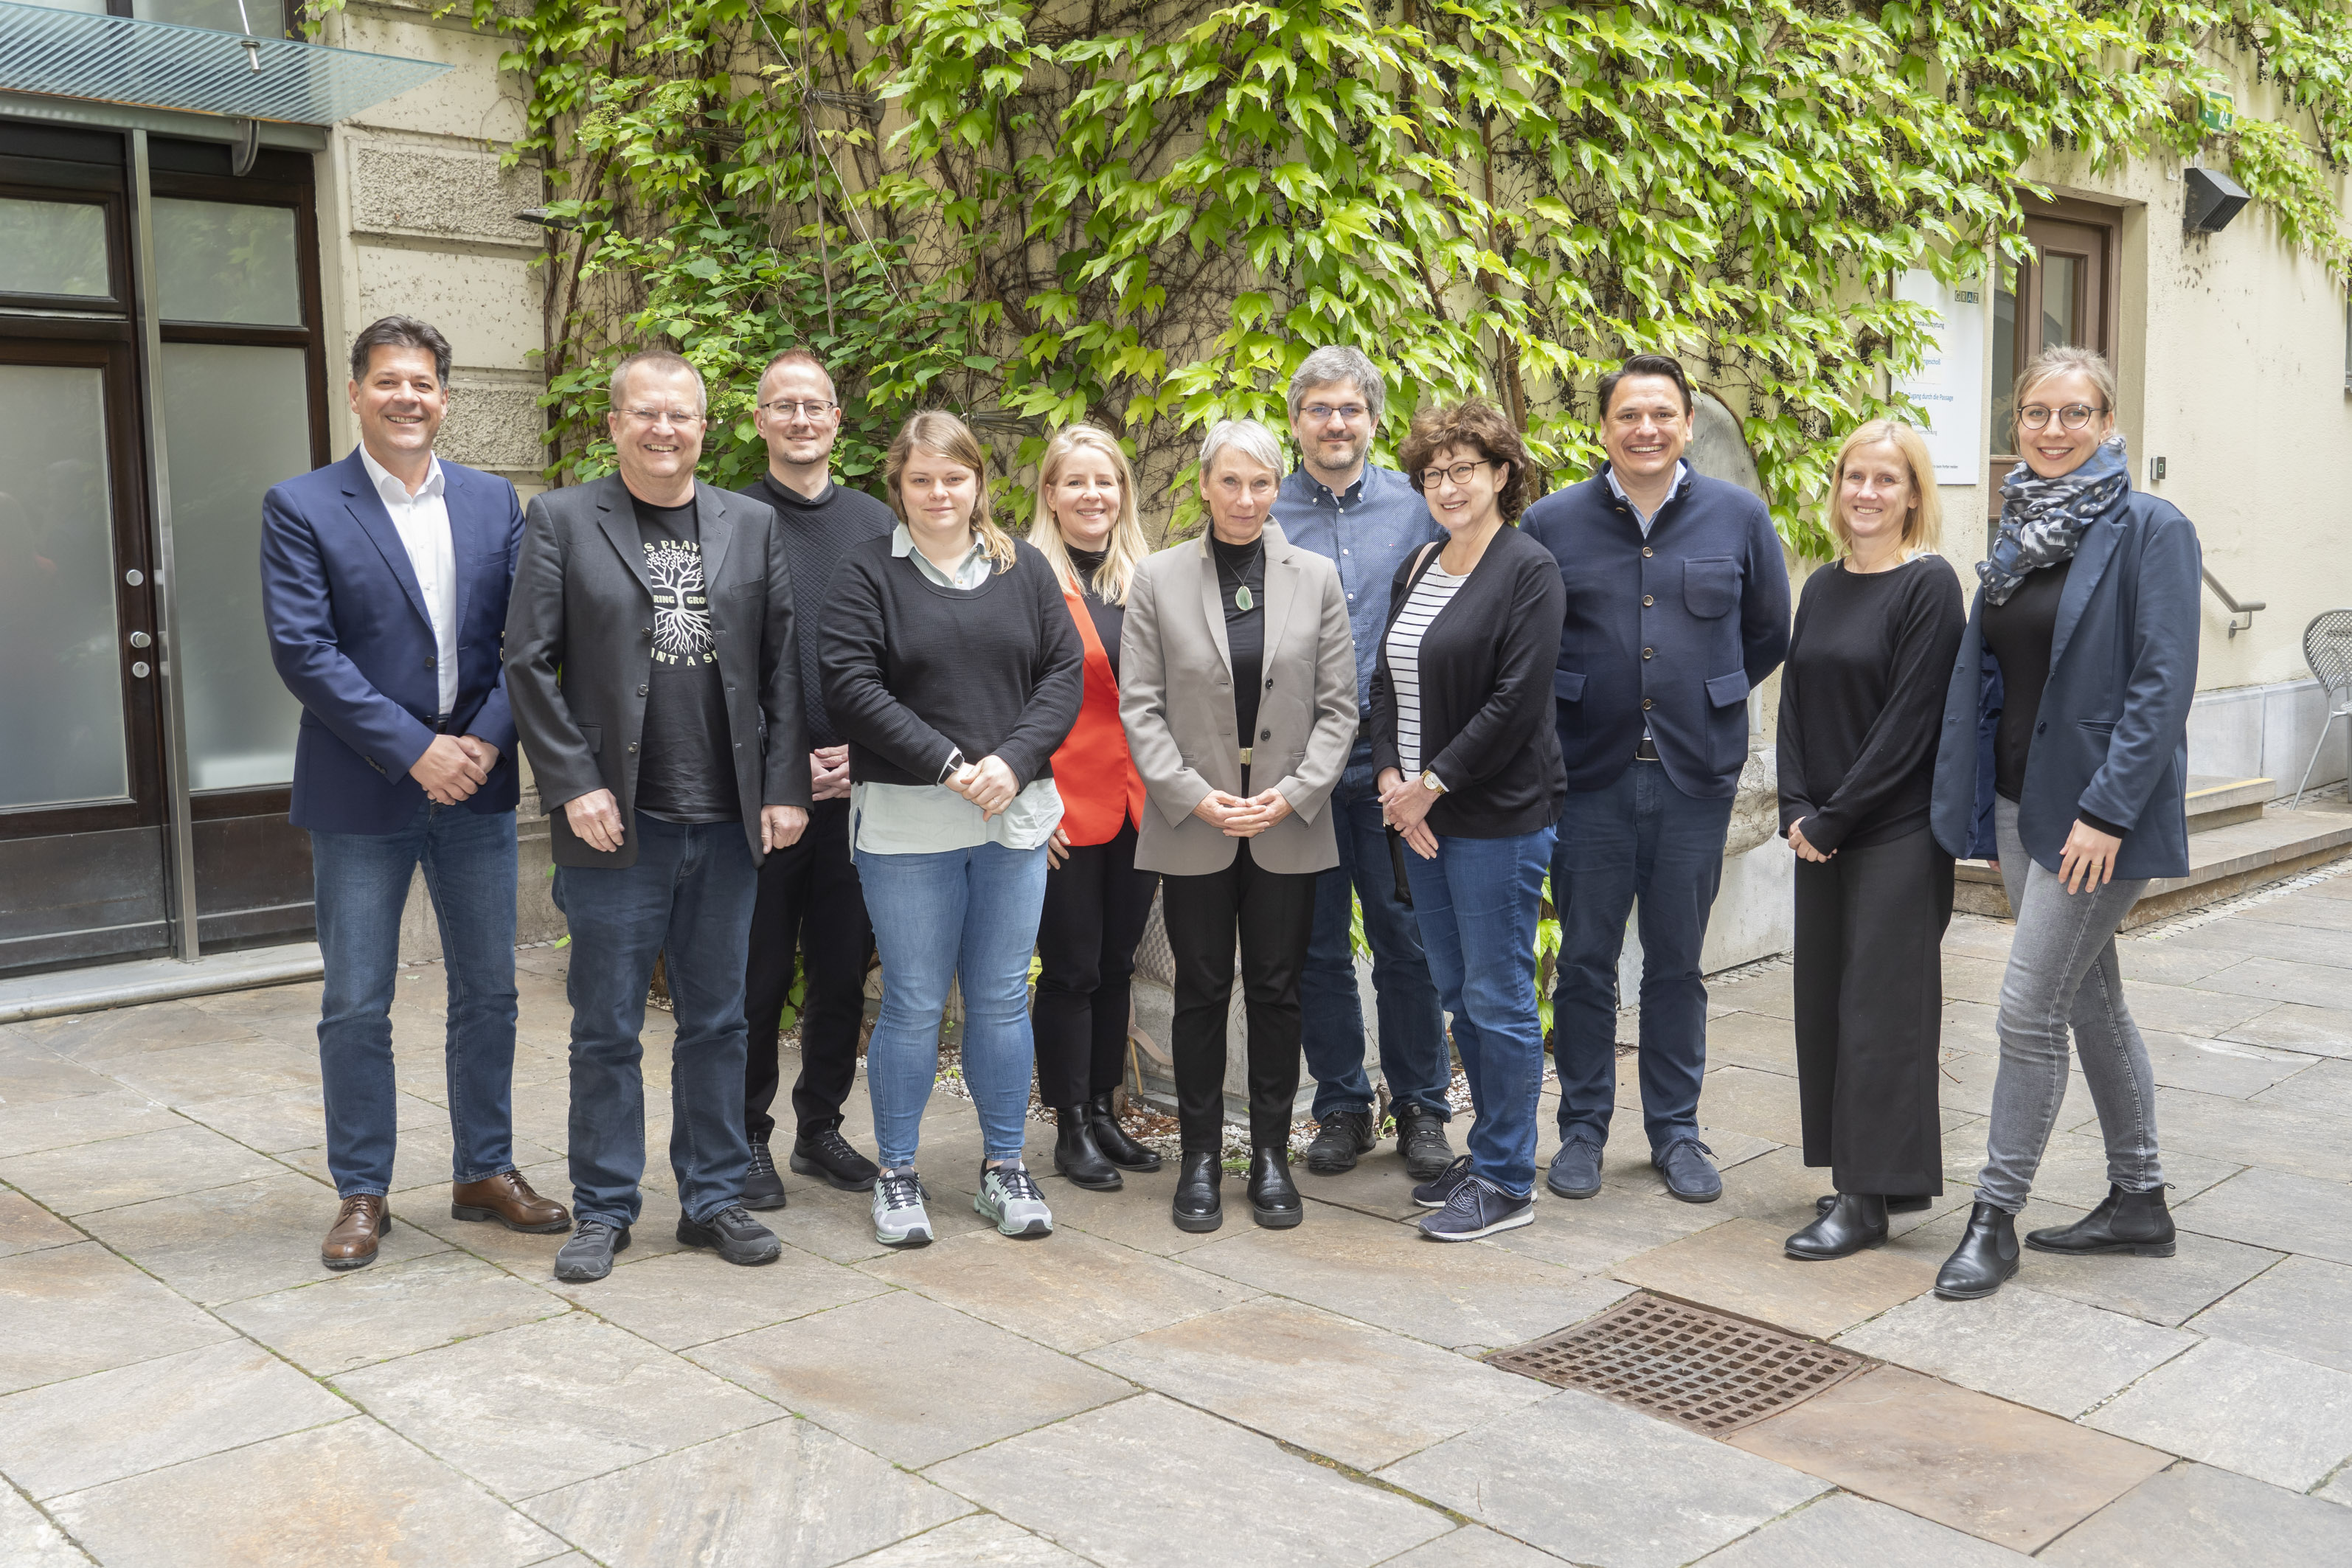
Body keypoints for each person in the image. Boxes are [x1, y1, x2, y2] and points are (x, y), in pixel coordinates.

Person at [263, 315, 568, 1272]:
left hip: (473, 790)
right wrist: (413, 751)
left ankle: (484, 1168)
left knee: (490, 990)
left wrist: (476, 740)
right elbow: (304, 652)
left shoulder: (490, 502)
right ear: (355, 392)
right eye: (388, 380)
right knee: (357, 999)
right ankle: (362, 1188)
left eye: (424, 382)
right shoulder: (302, 506)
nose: (407, 397)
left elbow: (525, 641)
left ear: (444, 397)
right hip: (362, 794)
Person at [504, 348, 807, 1283]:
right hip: (615, 824)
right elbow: (527, 662)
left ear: (706, 426)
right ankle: (602, 1204)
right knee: (607, 1026)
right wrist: (573, 782)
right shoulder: (561, 519)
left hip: (727, 822)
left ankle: (712, 1195)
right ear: (615, 423)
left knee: (719, 1019)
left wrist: (786, 787)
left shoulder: (750, 524)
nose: (664, 430)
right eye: (646, 414)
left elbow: (786, 664)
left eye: (681, 415)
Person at [1929, 346, 2199, 1300]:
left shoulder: (2149, 527)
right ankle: (2139, 1197)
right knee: (2089, 999)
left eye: (2074, 413)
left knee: (2026, 1008)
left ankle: (1992, 1219)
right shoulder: (2019, 531)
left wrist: (2106, 812)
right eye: (2037, 413)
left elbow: (2161, 687)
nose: (2053, 429)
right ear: (2017, 426)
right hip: (2017, 806)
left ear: (2108, 421)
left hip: (2095, 820)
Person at [1522, 353, 1791, 1204]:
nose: (1646, 429)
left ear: (1686, 423)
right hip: (1589, 776)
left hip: (1692, 779)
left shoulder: (1738, 516)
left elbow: (1768, 632)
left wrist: (1704, 695)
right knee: (1588, 963)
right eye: (1629, 415)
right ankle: (1583, 1130)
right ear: (1604, 426)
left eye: (1662, 415)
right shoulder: (1550, 522)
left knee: (1677, 964)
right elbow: (1529, 642)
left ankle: (1676, 1132)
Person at [822, 412, 1083, 1247]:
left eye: (955, 476)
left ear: (979, 482)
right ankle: (896, 1174)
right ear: (897, 486)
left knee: (1004, 996)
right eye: (922, 479)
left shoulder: (1025, 566)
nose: (940, 493)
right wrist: (946, 762)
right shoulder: (866, 571)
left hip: (1012, 816)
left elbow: (1062, 672)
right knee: (912, 1000)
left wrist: (1012, 760)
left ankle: (1004, 1167)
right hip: (907, 823)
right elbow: (851, 684)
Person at [1120, 418, 1359, 1233]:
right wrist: (1195, 795)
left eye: (1261, 483)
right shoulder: (1156, 578)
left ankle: (1268, 1156)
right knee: (1200, 989)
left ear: (1278, 485)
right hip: (1196, 822)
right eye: (1231, 481)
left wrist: (1294, 793)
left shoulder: (1316, 576)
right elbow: (1141, 708)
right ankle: (1197, 1159)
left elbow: (1339, 709)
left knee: (1278, 989)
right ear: (1204, 484)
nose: (1246, 499)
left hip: (1287, 821)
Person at [1370, 401, 1567, 1241]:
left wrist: (1432, 785)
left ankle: (1509, 1178)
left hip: (1493, 817)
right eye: (1433, 473)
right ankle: (1489, 1147)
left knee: (1498, 997)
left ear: (1500, 475)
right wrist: (1391, 778)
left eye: (1464, 469)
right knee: (1457, 991)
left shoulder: (1529, 569)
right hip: (1418, 817)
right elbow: (1386, 682)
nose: (1447, 485)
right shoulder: (1420, 562)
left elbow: (1516, 701)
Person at [1776, 420, 1966, 1261]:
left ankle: (1864, 1201)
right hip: (1820, 827)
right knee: (1825, 1004)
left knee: (1880, 1013)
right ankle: (1870, 1168)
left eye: (1887, 480)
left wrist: (1834, 817)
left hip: (1892, 833)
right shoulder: (1820, 585)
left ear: (1914, 495)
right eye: (1856, 476)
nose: (1866, 493)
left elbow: (1909, 726)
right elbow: (1794, 706)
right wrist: (1795, 805)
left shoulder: (1928, 588)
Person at [1272, 348, 1454, 1179]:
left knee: (1406, 942)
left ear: (1373, 419)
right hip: (1300, 774)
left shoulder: (1419, 510)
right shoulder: (1264, 511)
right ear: (1297, 420)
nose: (1335, 423)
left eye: (1349, 409)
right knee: (1315, 950)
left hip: (1395, 773)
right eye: (1319, 409)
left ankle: (1421, 1104)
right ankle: (1342, 1104)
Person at [734, 348, 895, 1205]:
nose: (800, 418)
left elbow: (907, 655)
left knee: (840, 970)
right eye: (782, 405)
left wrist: (862, 757)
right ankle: (745, 1136)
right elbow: (716, 667)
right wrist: (779, 759)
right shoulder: (723, 518)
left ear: (838, 420)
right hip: (764, 795)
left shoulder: (876, 522)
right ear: (758, 420)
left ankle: (819, 1124)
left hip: (860, 790)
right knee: (757, 975)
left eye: (816, 405)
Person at [1027, 424, 1163, 1189]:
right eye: (1075, 481)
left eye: (1105, 481)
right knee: (1073, 969)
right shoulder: (1023, 575)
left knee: (1117, 967)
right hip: (1063, 807)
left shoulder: (1144, 576)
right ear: (1050, 492)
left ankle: (1106, 1109)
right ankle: (1071, 1122)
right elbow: (1006, 695)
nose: (1092, 495)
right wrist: (1029, 799)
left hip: (1140, 806)